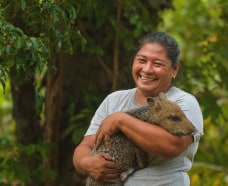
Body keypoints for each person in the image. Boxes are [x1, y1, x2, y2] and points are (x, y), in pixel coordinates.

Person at [72, 32, 204, 185]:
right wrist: (85, 163)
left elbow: (171, 146)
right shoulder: (114, 100)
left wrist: (120, 120)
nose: (147, 70)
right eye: (142, 60)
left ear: (174, 69)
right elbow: (87, 145)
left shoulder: (183, 101)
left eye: (157, 64)